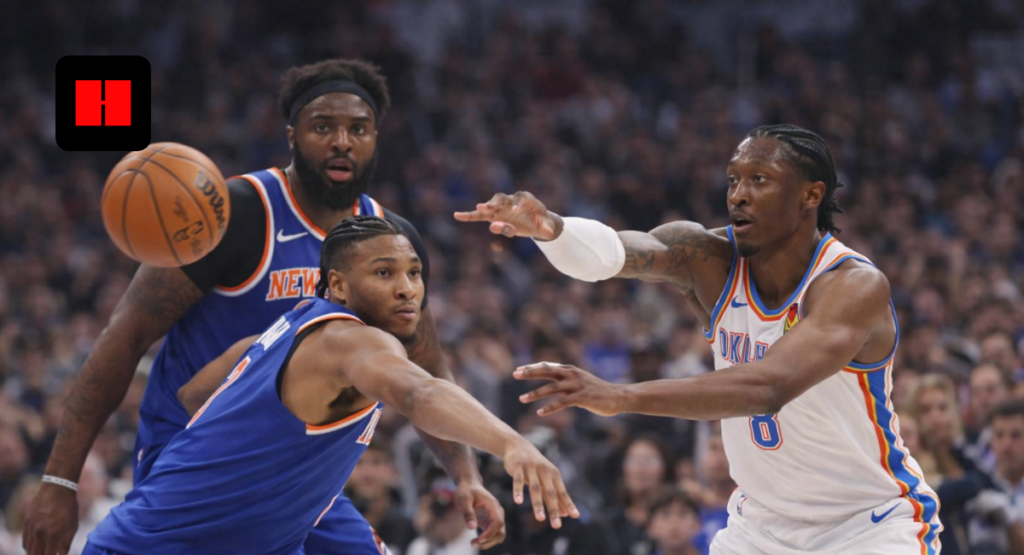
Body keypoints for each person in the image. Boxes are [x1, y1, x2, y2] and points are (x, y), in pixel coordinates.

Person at [26, 58, 503, 555]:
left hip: (300, 476)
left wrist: (465, 475)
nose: (342, 141)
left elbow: (427, 368)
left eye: (358, 129)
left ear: (375, 139)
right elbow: (124, 338)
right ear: (292, 135)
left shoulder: (393, 244)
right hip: (202, 462)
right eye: (323, 127)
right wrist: (60, 481)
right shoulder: (234, 214)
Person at [456, 124, 942, 554]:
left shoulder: (852, 285)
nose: (738, 195)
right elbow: (616, 253)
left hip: (865, 525)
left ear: (811, 195)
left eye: (760, 179)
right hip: (760, 526)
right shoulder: (706, 257)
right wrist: (554, 231)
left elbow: (767, 387)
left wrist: (620, 396)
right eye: (733, 179)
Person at [82, 216, 576, 555]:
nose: (407, 288)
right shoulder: (348, 340)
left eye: (414, 272)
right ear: (337, 285)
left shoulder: (288, 326)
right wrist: (512, 444)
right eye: (384, 273)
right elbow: (420, 394)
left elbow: (194, 396)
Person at [965, 400, 1024, 554]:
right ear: (991, 440)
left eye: (1016, 436)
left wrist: (1010, 519)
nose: (1006, 444)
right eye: (999, 435)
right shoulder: (976, 481)